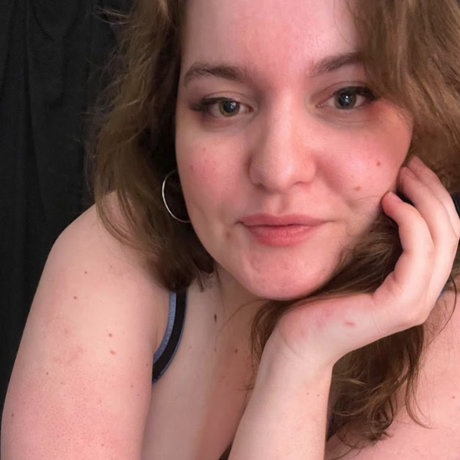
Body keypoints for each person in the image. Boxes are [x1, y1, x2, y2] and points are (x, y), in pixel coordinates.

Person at [2, 0, 460, 458]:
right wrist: (295, 361)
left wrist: (300, 358)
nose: (278, 170)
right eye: (227, 105)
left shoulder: (446, 342)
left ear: (426, 105)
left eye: (347, 97)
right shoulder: (117, 254)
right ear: (170, 117)